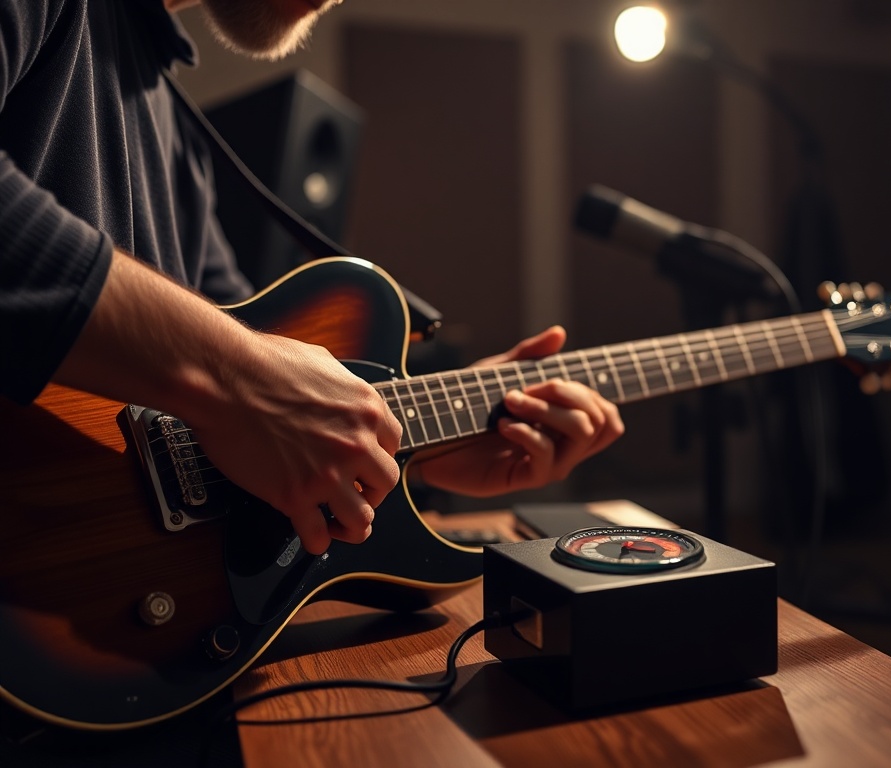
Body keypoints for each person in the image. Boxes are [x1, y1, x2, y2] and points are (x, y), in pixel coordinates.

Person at [0, 0, 624, 556]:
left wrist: (410, 445)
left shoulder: (179, 134)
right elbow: (247, 370)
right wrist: (232, 371)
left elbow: (245, 411)